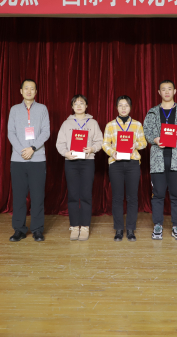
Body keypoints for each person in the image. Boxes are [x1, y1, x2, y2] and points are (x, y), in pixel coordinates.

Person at [143, 80, 177, 241]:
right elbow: (146, 131)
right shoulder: (152, 112)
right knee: (158, 194)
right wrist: (155, 139)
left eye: (169, 89)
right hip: (158, 159)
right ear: (159, 92)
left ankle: (176, 225)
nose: (166, 92)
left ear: (175, 91)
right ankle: (157, 225)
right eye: (163, 89)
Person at [7, 79, 51, 242]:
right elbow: (11, 132)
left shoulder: (42, 109)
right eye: (26, 88)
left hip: (37, 159)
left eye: (32, 88)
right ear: (21, 91)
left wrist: (32, 148)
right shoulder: (14, 109)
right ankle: (19, 229)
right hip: (18, 160)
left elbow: (46, 132)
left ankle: (37, 229)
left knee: (38, 196)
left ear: (36, 92)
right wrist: (22, 151)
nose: (29, 91)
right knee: (19, 196)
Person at [56, 94, 104, 241]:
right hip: (71, 162)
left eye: (81, 103)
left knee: (86, 195)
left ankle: (85, 226)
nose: (78, 106)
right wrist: (66, 153)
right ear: (72, 106)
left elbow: (100, 141)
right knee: (72, 195)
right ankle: (74, 226)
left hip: (87, 162)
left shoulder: (93, 123)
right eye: (75, 103)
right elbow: (60, 143)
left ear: (86, 106)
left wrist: (92, 149)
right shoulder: (66, 124)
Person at [102, 95, 148, 242]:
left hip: (132, 163)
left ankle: (130, 229)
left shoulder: (137, 124)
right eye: (120, 105)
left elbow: (144, 143)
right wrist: (112, 152)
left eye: (126, 105)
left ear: (130, 107)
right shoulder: (110, 125)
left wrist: (136, 145)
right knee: (117, 197)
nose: (123, 108)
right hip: (115, 163)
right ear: (116, 107)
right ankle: (118, 229)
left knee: (132, 197)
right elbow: (105, 144)